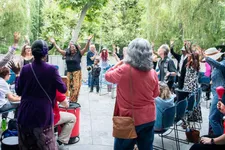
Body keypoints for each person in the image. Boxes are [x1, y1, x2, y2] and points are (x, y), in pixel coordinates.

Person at [105, 38, 160, 150]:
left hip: (128, 120)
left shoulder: (123, 69)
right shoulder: (152, 72)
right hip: (149, 118)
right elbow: (155, 94)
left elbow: (107, 76)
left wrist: (120, 62)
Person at [14, 40, 67, 149]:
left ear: (32, 53)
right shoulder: (52, 70)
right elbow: (63, 88)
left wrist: (17, 75)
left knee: (26, 146)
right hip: (43, 114)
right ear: (46, 54)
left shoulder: (25, 69)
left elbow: (18, 91)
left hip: (25, 113)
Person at [50, 36, 93, 102]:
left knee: (75, 88)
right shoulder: (67, 54)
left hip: (76, 73)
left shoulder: (79, 53)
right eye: (71, 47)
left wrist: (88, 41)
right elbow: (59, 50)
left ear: (76, 48)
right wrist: (54, 43)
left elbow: (85, 48)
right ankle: (70, 100)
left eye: (73, 47)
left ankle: (73, 101)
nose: (72, 48)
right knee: (69, 88)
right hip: (69, 73)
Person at [204, 47, 225, 137]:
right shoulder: (217, 65)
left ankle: (219, 142)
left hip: (220, 94)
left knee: (213, 118)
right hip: (217, 94)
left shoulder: (222, 63)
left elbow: (220, 67)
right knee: (217, 118)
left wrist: (206, 57)